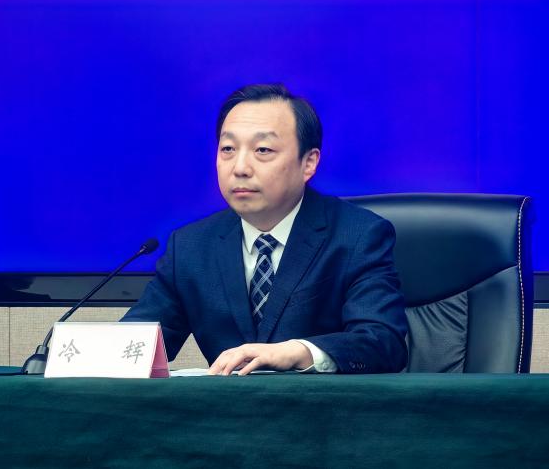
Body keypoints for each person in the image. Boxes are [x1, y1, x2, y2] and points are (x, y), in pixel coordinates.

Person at [121, 83, 408, 375]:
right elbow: (134, 343)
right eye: (228, 149)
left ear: (309, 163)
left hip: (322, 404)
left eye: (262, 150)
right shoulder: (190, 246)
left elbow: (383, 342)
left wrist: (298, 352)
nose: (240, 168)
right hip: (224, 405)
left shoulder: (358, 236)